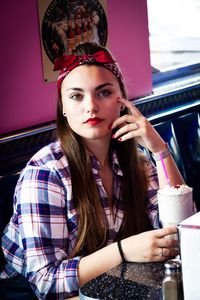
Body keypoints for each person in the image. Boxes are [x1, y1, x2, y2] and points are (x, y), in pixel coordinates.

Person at [0, 42, 186, 299]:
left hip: (104, 285)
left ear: (121, 101)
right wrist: (123, 250)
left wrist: (160, 151)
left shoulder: (138, 162)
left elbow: (180, 232)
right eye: (76, 96)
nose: (90, 106)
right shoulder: (45, 172)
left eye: (103, 93)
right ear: (63, 108)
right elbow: (45, 282)